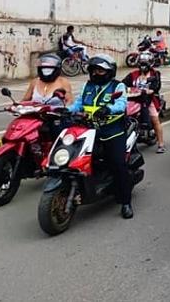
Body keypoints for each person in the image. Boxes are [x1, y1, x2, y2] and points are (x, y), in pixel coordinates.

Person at [67, 55, 132, 218]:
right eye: (94, 70)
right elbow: (78, 104)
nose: (97, 73)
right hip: (90, 131)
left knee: (118, 164)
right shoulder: (88, 86)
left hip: (113, 132)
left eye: (101, 70)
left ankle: (125, 202)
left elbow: (121, 104)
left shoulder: (118, 86)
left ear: (110, 71)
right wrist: (64, 110)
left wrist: (108, 109)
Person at [122, 51, 165, 153]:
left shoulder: (155, 74)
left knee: (155, 119)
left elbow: (156, 87)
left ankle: (161, 144)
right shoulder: (133, 74)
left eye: (145, 63)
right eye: (141, 63)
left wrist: (149, 91)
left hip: (148, 100)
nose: (143, 66)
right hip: (132, 100)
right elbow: (123, 84)